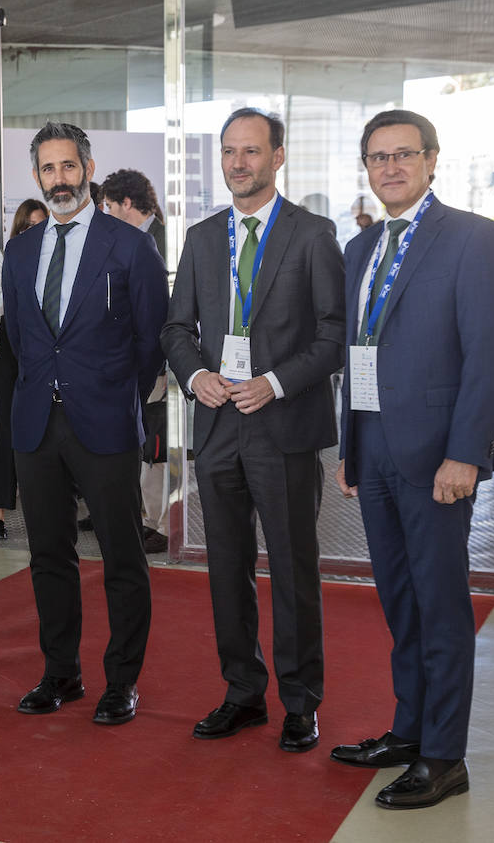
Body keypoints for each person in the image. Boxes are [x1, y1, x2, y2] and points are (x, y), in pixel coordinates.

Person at [331, 110, 494, 809]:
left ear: (432, 160)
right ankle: (408, 730)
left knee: (440, 608)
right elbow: (357, 356)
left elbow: (486, 358)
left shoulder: (472, 238)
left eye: (404, 154)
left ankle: (444, 756)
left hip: (438, 456)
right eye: (378, 157)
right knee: (399, 602)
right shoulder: (362, 248)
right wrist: (351, 447)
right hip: (373, 450)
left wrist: (464, 455)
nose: (390, 167)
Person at [161, 107, 345, 752]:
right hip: (217, 426)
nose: (239, 162)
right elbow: (176, 328)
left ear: (278, 157)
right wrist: (195, 376)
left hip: (283, 425)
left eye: (252, 151)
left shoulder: (313, 234)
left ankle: (300, 702)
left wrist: (275, 381)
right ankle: (243, 693)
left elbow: (332, 337)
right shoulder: (205, 237)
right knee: (226, 567)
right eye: (230, 151)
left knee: (294, 568)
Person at [2, 122, 168, 726]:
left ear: (89, 169)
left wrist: (113, 390)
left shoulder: (127, 246)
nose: (59, 179)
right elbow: (20, 339)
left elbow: (151, 339)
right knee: (49, 555)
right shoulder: (20, 252)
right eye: (48, 169)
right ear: (38, 177)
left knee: (122, 556)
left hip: (104, 423)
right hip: (36, 427)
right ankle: (60, 674)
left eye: (69, 167)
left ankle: (121, 681)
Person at [102, 167, 172, 554]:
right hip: (132, 363)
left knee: (156, 447)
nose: (107, 214)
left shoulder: (161, 240)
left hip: (159, 366)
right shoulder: (133, 241)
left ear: (128, 204)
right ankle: (142, 516)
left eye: (110, 206)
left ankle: (156, 523)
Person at [0, 198, 48, 539]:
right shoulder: (4, 258)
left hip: (45, 344)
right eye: (27, 227)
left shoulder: (58, 259)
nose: (33, 233)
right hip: (11, 342)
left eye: (40, 226)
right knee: (7, 425)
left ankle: (49, 506)